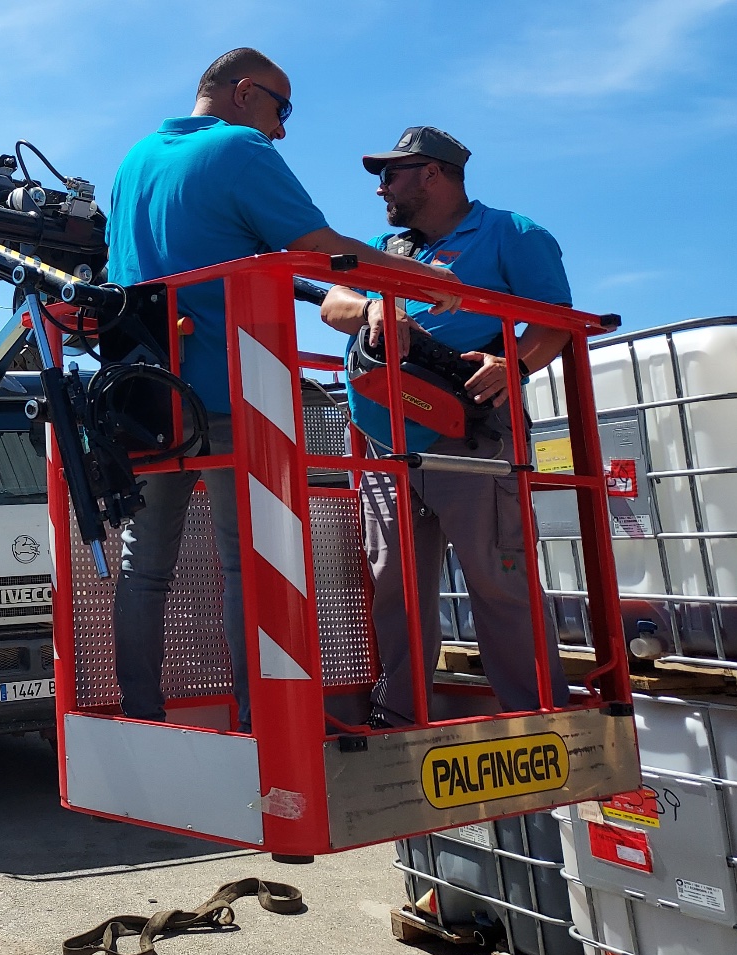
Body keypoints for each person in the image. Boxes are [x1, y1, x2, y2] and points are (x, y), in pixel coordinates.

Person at [106, 49, 460, 729]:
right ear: (244, 93)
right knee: (253, 568)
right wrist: (422, 282)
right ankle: (266, 720)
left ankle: (140, 717)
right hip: (232, 387)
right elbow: (323, 247)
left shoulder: (133, 161)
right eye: (281, 109)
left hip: (147, 395)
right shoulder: (240, 149)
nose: (283, 131)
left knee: (143, 567)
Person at [318, 126, 574, 725]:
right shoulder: (388, 247)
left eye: (391, 175)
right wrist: (374, 306)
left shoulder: (512, 233)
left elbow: (558, 323)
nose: (381, 189)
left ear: (432, 173)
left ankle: (538, 718)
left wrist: (514, 365)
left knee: (498, 583)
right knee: (393, 591)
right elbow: (333, 304)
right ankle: (399, 719)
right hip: (386, 442)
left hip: (471, 439)